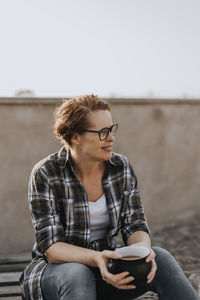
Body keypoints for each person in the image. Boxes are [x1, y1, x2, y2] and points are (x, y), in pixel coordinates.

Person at [20, 94, 199, 300]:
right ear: (75, 136)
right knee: (78, 274)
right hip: (56, 273)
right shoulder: (46, 173)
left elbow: (135, 224)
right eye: (102, 132)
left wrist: (142, 251)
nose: (111, 138)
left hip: (108, 271)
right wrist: (97, 258)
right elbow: (52, 248)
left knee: (162, 258)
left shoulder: (120, 167)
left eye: (111, 130)